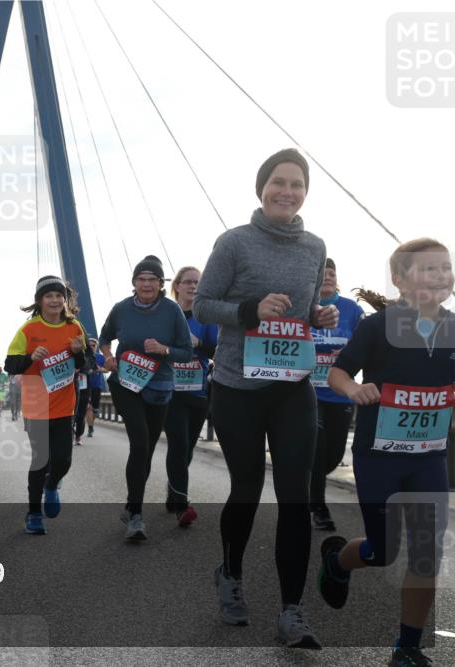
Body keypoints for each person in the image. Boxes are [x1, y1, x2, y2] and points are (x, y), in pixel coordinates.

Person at [194, 148, 338, 648]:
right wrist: (251, 308)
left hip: (293, 387)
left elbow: (306, 307)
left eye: (297, 184)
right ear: (262, 189)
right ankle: (230, 572)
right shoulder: (234, 243)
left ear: (304, 194)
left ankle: (292, 611)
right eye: (279, 182)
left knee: (295, 496)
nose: (287, 191)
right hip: (237, 388)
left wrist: (318, 317)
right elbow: (204, 305)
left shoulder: (314, 247)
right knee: (248, 489)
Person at [319, 238, 453, 667]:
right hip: (379, 456)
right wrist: (354, 388)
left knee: (426, 552)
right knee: (383, 550)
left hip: (430, 458)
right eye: (427, 269)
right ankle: (339, 563)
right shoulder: (379, 326)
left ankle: (408, 647)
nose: (438, 276)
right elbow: (338, 372)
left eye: (444, 268)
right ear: (399, 280)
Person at [100, 255, 194, 540]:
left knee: (147, 451)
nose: (146, 284)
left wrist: (164, 350)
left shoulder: (171, 311)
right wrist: (107, 357)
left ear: (161, 284)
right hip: (126, 383)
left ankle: (131, 507)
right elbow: (104, 338)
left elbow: (186, 352)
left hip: (160, 387)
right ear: (134, 283)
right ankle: (136, 515)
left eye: (152, 280)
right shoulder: (121, 309)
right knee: (139, 443)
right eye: (141, 279)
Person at [5, 276, 90, 535]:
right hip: (36, 405)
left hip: (64, 405)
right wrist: (31, 357)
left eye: (58, 295)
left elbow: (86, 365)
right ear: (39, 301)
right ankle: (33, 514)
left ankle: (51, 487)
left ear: (65, 300)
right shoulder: (28, 330)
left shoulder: (75, 327)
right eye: (48, 296)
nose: (54, 300)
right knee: (40, 460)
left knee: (63, 460)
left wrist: (78, 353)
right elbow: (10, 364)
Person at [308, 258, 364, 531]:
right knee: (317, 448)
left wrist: (352, 353)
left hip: (340, 393)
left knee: (332, 455)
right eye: (323, 274)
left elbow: (367, 345)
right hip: (309, 393)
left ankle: (309, 483)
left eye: (332, 273)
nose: (328, 277)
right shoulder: (305, 306)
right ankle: (318, 506)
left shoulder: (352, 310)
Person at [162, 266, 218, 524]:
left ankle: (174, 491)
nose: (193, 287)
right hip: (171, 392)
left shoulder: (206, 318)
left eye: (198, 282)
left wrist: (198, 344)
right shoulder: (166, 315)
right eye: (188, 282)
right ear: (177, 287)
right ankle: (183, 505)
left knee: (188, 449)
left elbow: (217, 351)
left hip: (198, 392)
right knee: (178, 444)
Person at [85, 337, 106, 437]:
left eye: (93, 345)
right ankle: (90, 428)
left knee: (95, 409)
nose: (91, 347)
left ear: (96, 347)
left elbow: (107, 369)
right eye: (89, 345)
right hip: (85, 386)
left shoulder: (101, 357)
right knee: (88, 407)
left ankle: (91, 424)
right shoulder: (83, 356)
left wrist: (98, 369)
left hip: (96, 386)